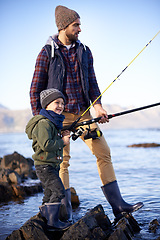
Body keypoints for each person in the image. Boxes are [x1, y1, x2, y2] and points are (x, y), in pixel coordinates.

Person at [30, 5, 143, 222]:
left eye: (79, 25)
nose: (80, 29)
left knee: (103, 151)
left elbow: (92, 82)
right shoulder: (47, 53)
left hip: (84, 115)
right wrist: (41, 121)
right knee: (61, 161)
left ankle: (119, 206)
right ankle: (63, 213)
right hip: (57, 118)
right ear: (64, 26)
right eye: (76, 25)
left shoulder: (85, 51)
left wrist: (98, 106)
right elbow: (35, 89)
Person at [25, 88, 71, 230]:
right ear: (46, 105)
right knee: (58, 191)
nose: (60, 106)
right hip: (45, 166)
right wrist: (62, 141)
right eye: (57, 102)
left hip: (51, 165)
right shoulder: (44, 123)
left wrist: (61, 134)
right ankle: (53, 222)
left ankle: (45, 218)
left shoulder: (53, 123)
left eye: (62, 103)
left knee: (49, 193)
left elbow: (51, 139)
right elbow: (46, 145)